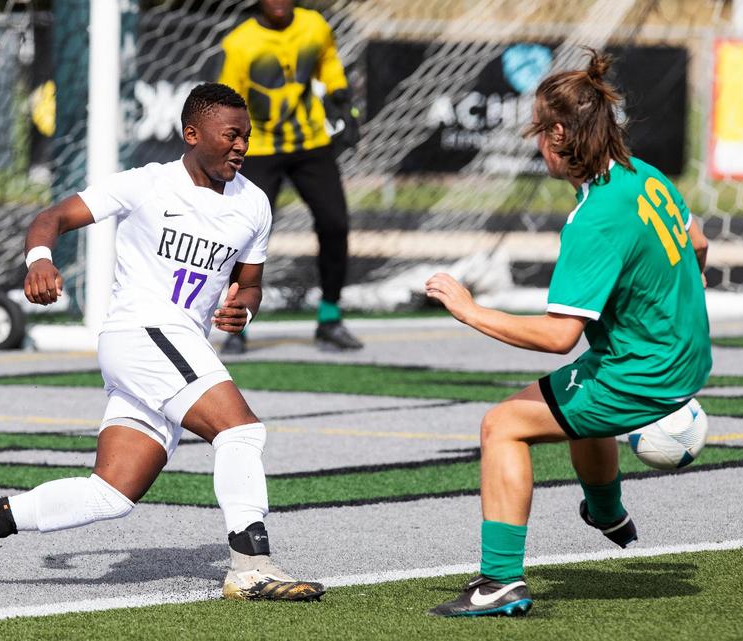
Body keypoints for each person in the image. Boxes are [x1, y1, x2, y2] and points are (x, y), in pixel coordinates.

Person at [0, 83, 324, 601]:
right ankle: (250, 566)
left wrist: (243, 308)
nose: (242, 146)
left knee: (111, 493)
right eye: (231, 135)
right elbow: (51, 218)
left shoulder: (254, 204)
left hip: (172, 346)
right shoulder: (147, 184)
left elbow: (250, 284)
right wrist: (39, 261)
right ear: (192, 134)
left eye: (247, 136)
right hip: (143, 332)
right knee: (240, 432)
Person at [422, 50, 712, 617]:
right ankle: (607, 512)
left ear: (559, 134)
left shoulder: (596, 217)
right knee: (573, 398)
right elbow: (697, 239)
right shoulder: (643, 176)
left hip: (645, 373)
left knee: (502, 425)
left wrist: (468, 309)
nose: (535, 144)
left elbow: (559, 336)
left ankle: (500, 581)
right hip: (687, 356)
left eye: (537, 131)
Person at [216, 0, 363, 353]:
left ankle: (330, 318)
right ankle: (237, 323)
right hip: (261, 149)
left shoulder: (314, 25)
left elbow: (328, 63)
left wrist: (342, 99)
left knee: (334, 223)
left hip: (311, 144)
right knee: (244, 234)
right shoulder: (240, 42)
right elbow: (226, 102)